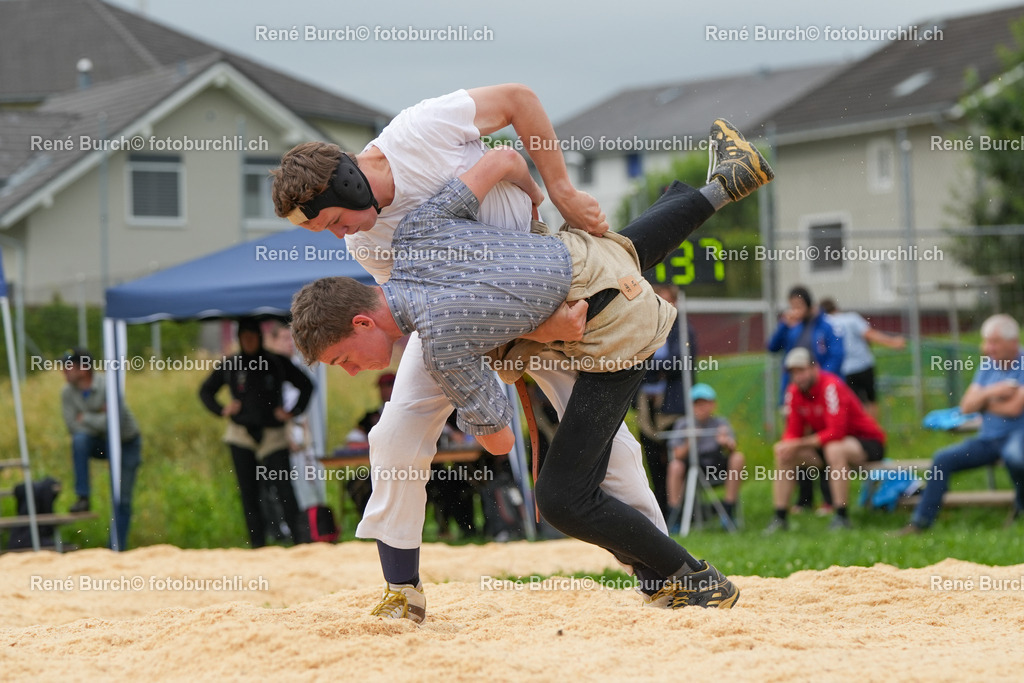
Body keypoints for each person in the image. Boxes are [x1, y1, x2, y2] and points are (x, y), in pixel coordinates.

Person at [271, 85, 756, 622]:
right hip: (492, 316)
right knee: (396, 433)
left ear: (345, 181)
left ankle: (662, 572)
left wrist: (560, 191)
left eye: (334, 221)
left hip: (549, 289)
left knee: (604, 444)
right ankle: (402, 588)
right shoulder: (365, 243)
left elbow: (518, 102)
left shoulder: (418, 132)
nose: (340, 236)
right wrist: (506, 351)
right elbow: (418, 313)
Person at [898, 314, 1024, 533]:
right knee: (942, 459)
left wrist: (982, 403)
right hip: (988, 440)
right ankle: (921, 522)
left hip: (1017, 436)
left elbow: (1013, 409)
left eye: (994, 342)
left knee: (1016, 457)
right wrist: (993, 392)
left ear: (1012, 342)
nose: (988, 348)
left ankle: (1020, 509)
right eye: (986, 341)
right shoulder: (988, 366)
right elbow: (966, 407)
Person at [199, 317, 314, 548]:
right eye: (245, 337)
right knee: (249, 492)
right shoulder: (231, 363)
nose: (249, 341)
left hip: (273, 434)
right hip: (241, 434)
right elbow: (205, 391)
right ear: (240, 339)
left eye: (253, 337)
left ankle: (300, 542)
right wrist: (222, 409)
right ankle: (258, 544)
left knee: (284, 489)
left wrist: (292, 412)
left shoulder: (276, 362)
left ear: (259, 338)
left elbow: (307, 385)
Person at [765, 347, 886, 533]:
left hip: (866, 442)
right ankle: (780, 517)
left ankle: (841, 516)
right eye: (794, 372)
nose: (798, 376)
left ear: (815, 367)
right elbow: (793, 431)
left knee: (834, 449)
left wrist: (798, 443)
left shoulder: (831, 386)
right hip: (827, 444)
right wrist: (788, 444)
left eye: (802, 370)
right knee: (784, 452)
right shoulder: (794, 392)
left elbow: (836, 432)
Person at [767, 285, 843, 513]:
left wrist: (819, 385)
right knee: (796, 445)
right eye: (792, 305)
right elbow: (772, 347)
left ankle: (830, 500)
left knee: (825, 444)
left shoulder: (825, 327)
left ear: (810, 305)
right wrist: (783, 325)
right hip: (795, 396)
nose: (795, 310)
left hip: (821, 395)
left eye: (799, 305)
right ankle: (804, 499)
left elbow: (836, 356)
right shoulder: (791, 327)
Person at [60, 347, 142, 549]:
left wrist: (86, 417)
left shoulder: (108, 384)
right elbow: (72, 425)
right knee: (79, 440)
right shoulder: (67, 393)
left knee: (122, 498)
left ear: (84, 369)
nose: (63, 370)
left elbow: (115, 422)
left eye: (68, 365)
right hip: (101, 443)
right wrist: (99, 416)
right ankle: (83, 496)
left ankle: (116, 547)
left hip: (126, 443)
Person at [635, 283, 697, 518]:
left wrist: (652, 367)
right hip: (645, 406)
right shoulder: (643, 327)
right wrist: (656, 368)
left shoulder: (683, 329)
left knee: (674, 459)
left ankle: (681, 512)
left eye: (666, 299)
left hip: (672, 407)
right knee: (652, 461)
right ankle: (659, 511)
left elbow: (681, 362)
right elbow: (633, 361)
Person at [665, 383, 745, 530]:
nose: (701, 408)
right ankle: (675, 515)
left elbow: (733, 448)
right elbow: (677, 454)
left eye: (705, 403)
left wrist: (726, 442)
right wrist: (690, 440)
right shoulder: (683, 424)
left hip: (715, 464)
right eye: (697, 404)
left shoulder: (721, 422)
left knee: (738, 458)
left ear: (713, 404)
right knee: (675, 466)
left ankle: (728, 511)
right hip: (692, 466)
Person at [820, 297, 905, 419]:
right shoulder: (851, 318)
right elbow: (869, 334)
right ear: (837, 308)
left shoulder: (825, 324)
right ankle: (872, 430)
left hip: (844, 369)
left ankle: (860, 431)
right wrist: (893, 342)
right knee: (871, 400)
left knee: (853, 404)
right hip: (864, 364)